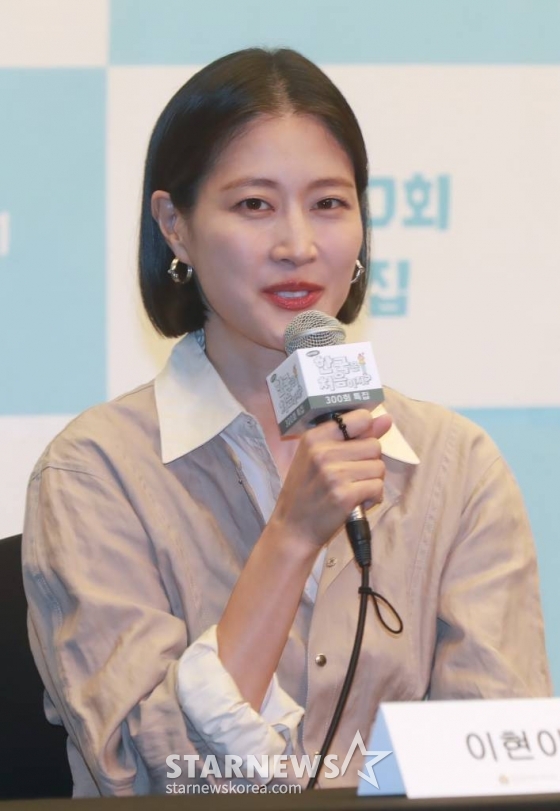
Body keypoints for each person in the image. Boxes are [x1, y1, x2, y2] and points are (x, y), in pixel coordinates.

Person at [22, 47, 552, 798]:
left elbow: (502, 769)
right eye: (254, 205)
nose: (298, 246)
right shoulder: (94, 473)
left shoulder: (454, 465)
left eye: (330, 203)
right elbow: (138, 776)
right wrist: (293, 536)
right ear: (175, 226)